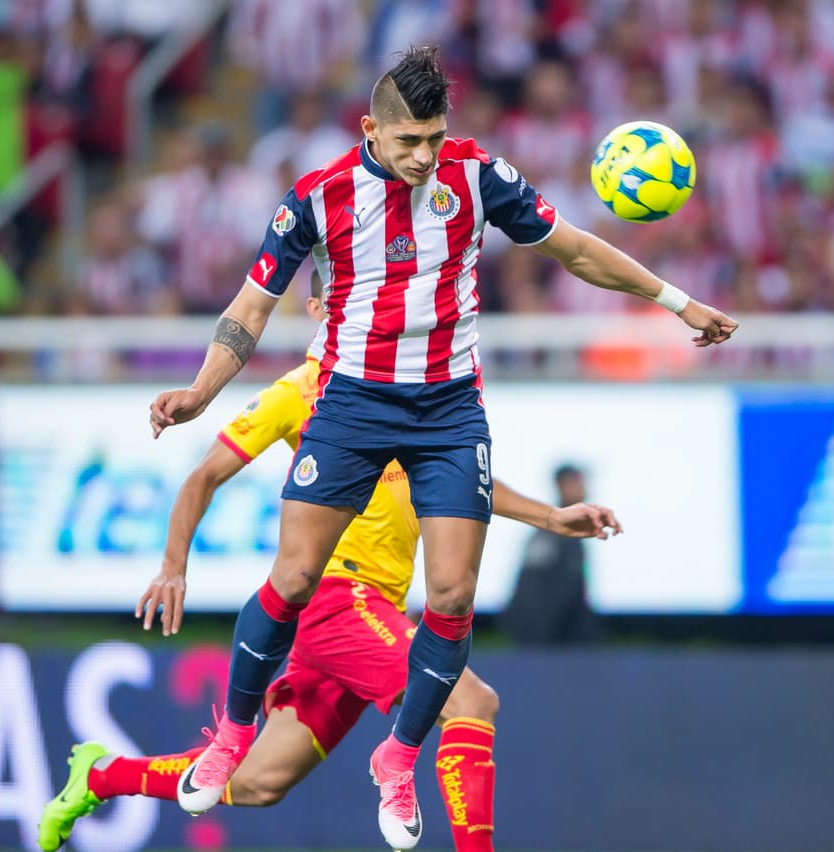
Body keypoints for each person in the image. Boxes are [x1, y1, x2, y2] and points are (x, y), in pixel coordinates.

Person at [146, 44, 735, 849]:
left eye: (434, 138)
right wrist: (199, 393)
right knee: (293, 575)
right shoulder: (316, 199)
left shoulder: (477, 176)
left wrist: (678, 301)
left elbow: (576, 251)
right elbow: (250, 308)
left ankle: (397, 757)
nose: (424, 157)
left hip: (450, 410)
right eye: (408, 142)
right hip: (351, 404)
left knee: (452, 598)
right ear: (370, 131)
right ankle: (228, 739)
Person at [39, 282, 622, 852]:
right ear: (319, 309)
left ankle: (100, 775)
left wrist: (551, 518)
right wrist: (172, 566)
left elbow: (458, 485)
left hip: (372, 612)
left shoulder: (407, 382)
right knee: (471, 701)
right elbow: (203, 475)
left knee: (260, 782)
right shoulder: (300, 392)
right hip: (339, 599)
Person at [501, 464, 601, 645]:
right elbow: (532, 591)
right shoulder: (549, 533)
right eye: (578, 483)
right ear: (563, 485)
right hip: (548, 644)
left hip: (568, 643)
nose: (584, 489)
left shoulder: (572, 532)